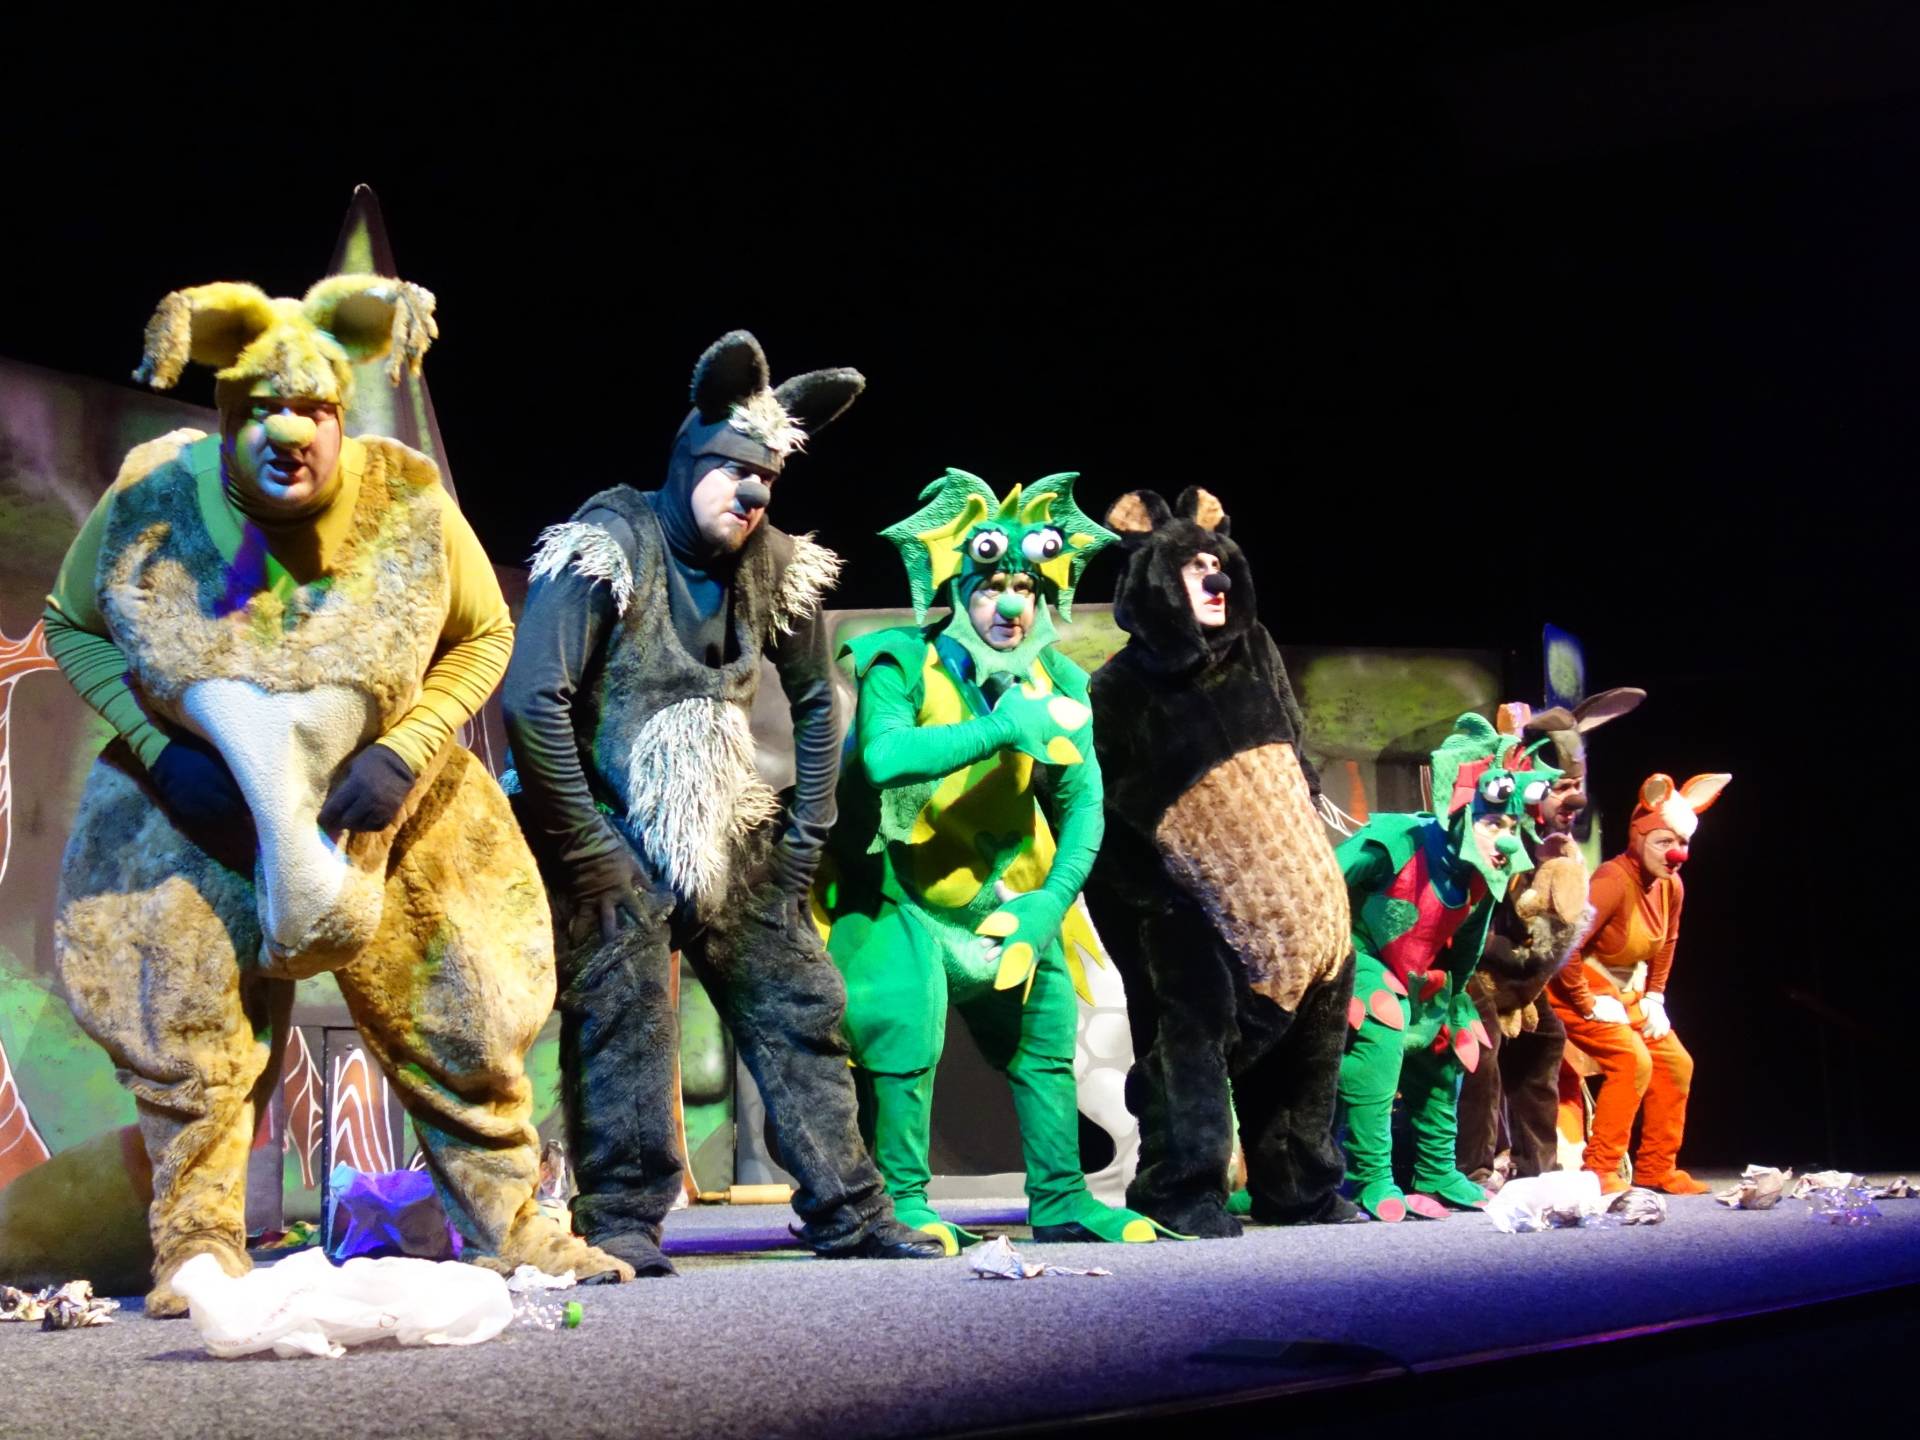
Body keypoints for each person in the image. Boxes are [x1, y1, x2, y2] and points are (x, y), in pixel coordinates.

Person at [47, 276, 632, 1316]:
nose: (290, 432)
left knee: (461, 1004)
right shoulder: (152, 501)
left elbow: (484, 634)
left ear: (340, 413)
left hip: (379, 800)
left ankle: (514, 1224)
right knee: (187, 1020)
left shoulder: (407, 501)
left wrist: (405, 751)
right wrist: (156, 748)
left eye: (313, 407)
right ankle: (197, 1243)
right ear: (228, 415)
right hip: (204, 799)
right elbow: (73, 623)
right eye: (262, 409)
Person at [502, 330, 944, 1276]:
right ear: (689, 460)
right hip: (610, 819)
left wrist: (805, 839)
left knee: (801, 999)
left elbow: (819, 703)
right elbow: (533, 700)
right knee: (624, 1012)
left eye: (768, 480)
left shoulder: (774, 562)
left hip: (728, 820)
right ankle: (621, 1217)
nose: (754, 496)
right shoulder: (609, 544)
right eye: (736, 472)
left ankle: (851, 1210)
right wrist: (589, 849)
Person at [820, 468, 1161, 1250]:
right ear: (957, 587)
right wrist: (1004, 727)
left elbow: (1083, 806)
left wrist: (1050, 904)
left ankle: (1063, 1199)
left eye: (1026, 588)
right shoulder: (901, 662)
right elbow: (886, 757)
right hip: (901, 895)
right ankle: (901, 1202)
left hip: (1001, 901)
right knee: (905, 1033)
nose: (1011, 606)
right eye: (992, 587)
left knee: (1046, 1035)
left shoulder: (1058, 682)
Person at [1083, 486, 1356, 1237]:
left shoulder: (1257, 652)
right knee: (1189, 1052)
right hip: (1198, 914)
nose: (1215, 580)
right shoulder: (1119, 687)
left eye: (1218, 564)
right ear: (1154, 582)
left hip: (1308, 907)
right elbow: (1105, 813)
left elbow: (1296, 756)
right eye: (1193, 568)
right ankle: (1182, 1187)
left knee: (1306, 1064)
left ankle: (1297, 1185)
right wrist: (1161, 911)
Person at [1337, 714, 1561, 1221]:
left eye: (1512, 827)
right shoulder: (1398, 840)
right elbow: (1320, 883)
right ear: (1462, 815)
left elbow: (1461, 952)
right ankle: (1371, 1176)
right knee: (1385, 1020)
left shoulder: (1480, 875)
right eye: (1493, 824)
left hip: (1414, 970)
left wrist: (1451, 1001)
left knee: (1454, 1034)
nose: (1507, 840)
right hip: (1356, 953)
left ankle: (1436, 1170)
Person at [1455, 690, 1643, 1184]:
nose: (1573, 800)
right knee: (1483, 1041)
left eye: (1577, 786)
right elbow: (1476, 924)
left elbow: (1550, 943)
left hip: (1520, 979)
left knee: (1547, 1038)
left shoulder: (1556, 849)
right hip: (1471, 971)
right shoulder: (1496, 833)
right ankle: (1472, 1168)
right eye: (1560, 787)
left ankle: (1536, 1168)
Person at [1547, 771, 1731, 1195]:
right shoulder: (1612, 880)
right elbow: (1565, 945)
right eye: (1664, 842)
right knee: (1632, 1062)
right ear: (1639, 837)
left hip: (1627, 992)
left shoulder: (1671, 886)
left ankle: (1656, 1167)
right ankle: (1601, 1169)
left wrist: (1656, 996)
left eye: (1682, 843)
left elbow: (1668, 941)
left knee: (1676, 1064)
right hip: (1577, 989)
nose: (1676, 853)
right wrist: (1585, 1001)